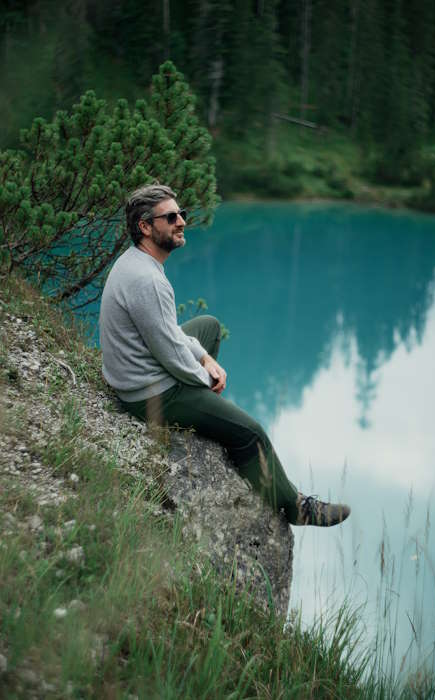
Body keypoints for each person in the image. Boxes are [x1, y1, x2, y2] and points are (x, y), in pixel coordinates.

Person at [99, 183, 350, 527]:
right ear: (145, 226)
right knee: (251, 433)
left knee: (208, 327)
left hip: (143, 370)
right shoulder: (147, 280)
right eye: (170, 217)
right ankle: (296, 508)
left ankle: (206, 408)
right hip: (148, 394)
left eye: (182, 214)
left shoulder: (137, 264)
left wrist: (204, 356)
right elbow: (171, 354)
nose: (181, 222)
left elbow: (169, 333)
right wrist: (208, 376)